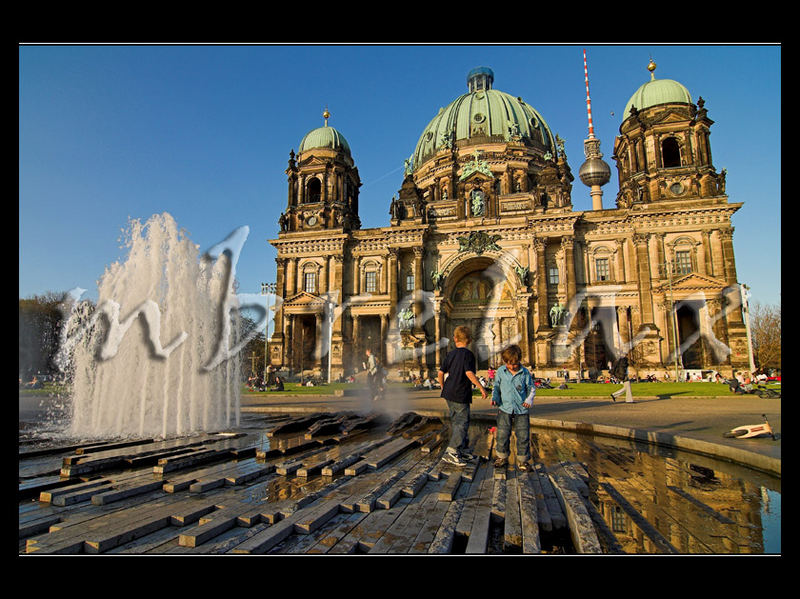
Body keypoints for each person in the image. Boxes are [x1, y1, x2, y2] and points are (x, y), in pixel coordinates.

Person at [437, 326, 487, 466]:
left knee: (457, 421)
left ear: (455, 339)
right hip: (460, 392)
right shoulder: (468, 355)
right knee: (463, 422)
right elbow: (469, 373)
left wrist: (443, 387)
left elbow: (440, 373)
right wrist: (481, 387)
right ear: (470, 340)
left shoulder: (450, 354)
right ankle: (452, 451)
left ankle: (462, 450)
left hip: (449, 392)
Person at [491, 345, 535, 471]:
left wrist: (528, 400)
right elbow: (496, 387)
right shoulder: (500, 371)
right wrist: (494, 398)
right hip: (505, 407)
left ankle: (523, 460)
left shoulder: (525, 372)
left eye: (514, 364)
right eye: (508, 364)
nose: (511, 367)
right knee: (502, 434)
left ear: (519, 361)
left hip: (521, 409)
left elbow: (531, 388)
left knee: (523, 435)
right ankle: (502, 457)